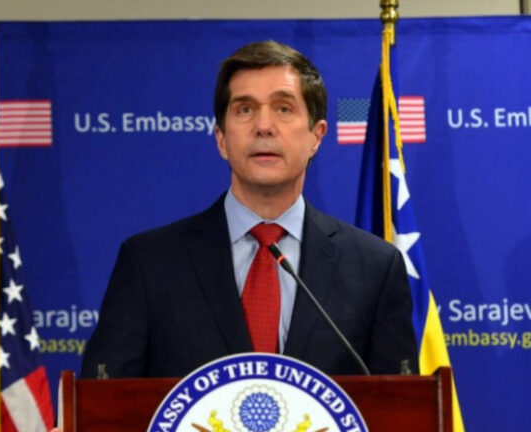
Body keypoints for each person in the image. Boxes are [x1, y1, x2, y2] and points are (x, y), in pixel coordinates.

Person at [80, 40, 418, 378]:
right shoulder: (149, 263)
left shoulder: (374, 268)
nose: (264, 126)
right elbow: (105, 397)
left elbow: (399, 402)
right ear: (221, 139)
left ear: (316, 136)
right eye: (245, 109)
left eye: (283, 108)